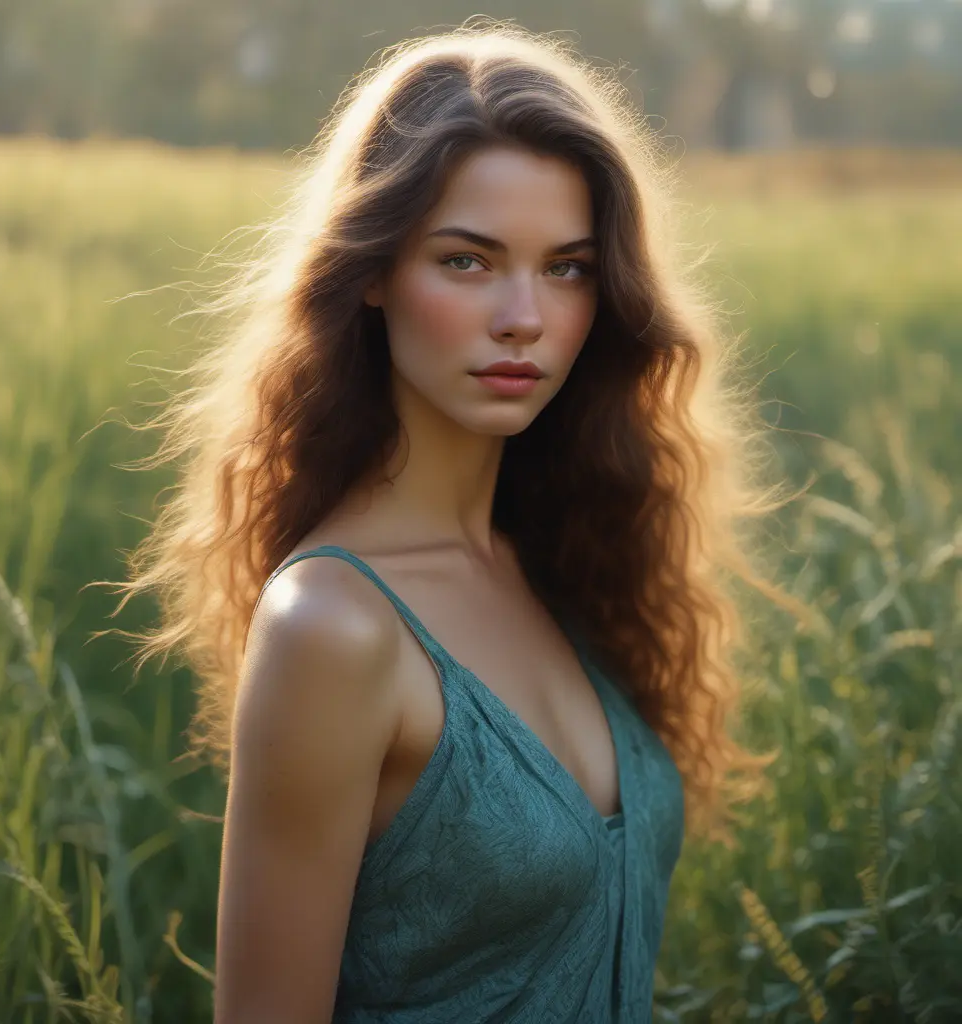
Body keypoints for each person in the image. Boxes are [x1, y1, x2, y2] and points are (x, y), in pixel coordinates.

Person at [117, 19, 788, 1024]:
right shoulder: (332, 627)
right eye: (468, 261)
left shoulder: (567, 566)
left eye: (565, 267)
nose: (523, 315)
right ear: (375, 272)